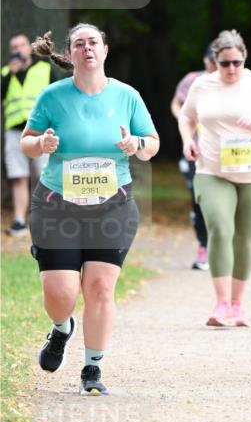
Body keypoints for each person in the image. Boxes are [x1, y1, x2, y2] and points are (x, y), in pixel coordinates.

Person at [20, 24, 159, 395]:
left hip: (112, 206)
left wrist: (136, 143)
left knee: (99, 287)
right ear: (71, 53)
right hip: (56, 206)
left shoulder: (127, 96)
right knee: (61, 293)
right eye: (79, 44)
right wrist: (43, 143)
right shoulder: (52, 96)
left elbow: (152, 144)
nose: (87, 49)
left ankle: (92, 369)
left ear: (105, 50)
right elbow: (27, 143)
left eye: (93, 42)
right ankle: (62, 328)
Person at [179, 29, 251, 328]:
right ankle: (220, 304)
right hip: (212, 169)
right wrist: (187, 139)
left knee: (245, 238)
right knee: (220, 227)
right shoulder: (202, 85)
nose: (231, 69)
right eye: (225, 63)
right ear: (214, 61)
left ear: (244, 59)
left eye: (237, 62)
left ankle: (237, 304)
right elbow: (186, 115)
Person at [2, 32, 61, 236]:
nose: (18, 49)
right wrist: (10, 74)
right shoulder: (5, 73)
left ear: (29, 48)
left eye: (22, 45)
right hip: (14, 132)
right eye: (14, 47)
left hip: (41, 131)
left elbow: (56, 98)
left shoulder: (44, 69)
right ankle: (19, 221)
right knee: (18, 176)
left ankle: (47, 219)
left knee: (45, 176)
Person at [170, 45, 217, 270]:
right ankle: (203, 246)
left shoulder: (234, 81)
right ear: (205, 59)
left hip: (225, 153)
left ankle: (223, 247)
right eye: (212, 59)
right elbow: (176, 103)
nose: (216, 64)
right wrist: (184, 119)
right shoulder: (193, 80)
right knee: (198, 199)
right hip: (196, 150)